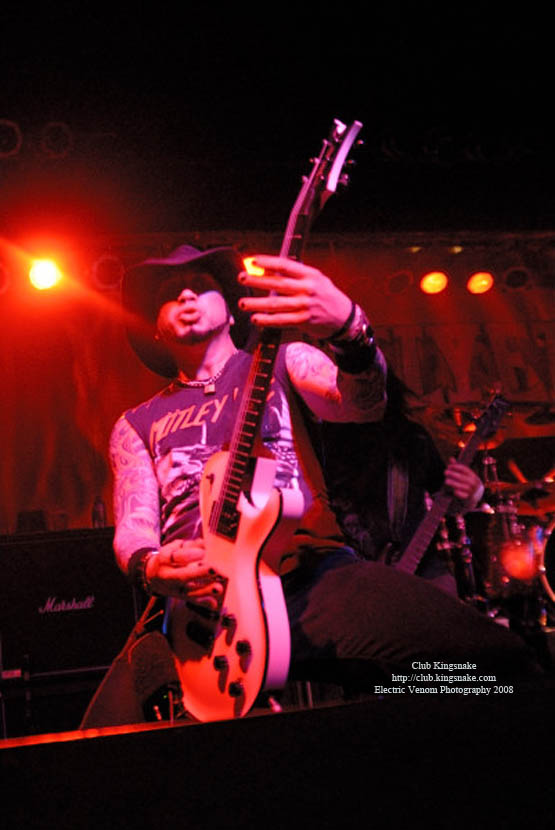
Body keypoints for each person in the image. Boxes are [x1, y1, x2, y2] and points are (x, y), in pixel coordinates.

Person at [81, 244, 543, 728]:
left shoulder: (286, 360)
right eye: (169, 293)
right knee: (96, 743)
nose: (186, 295)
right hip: (195, 611)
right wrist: (150, 564)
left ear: (232, 310)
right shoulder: (135, 423)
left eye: (201, 285)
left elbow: (362, 403)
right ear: (155, 329)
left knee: (493, 669)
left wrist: (350, 331)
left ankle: (393, 711)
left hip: (303, 575)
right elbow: (134, 525)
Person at [321, 370, 484, 597]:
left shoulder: (412, 438)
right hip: (347, 575)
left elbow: (447, 500)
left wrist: (473, 493)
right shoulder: (320, 441)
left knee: (444, 596)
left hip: (418, 566)